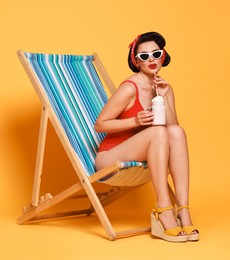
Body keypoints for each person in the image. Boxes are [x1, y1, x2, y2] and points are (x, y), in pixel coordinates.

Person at [94, 32, 199, 242]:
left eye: (155, 53)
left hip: (146, 150)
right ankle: (163, 209)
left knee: (177, 132)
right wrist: (135, 121)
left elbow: (173, 131)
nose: (150, 59)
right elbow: (100, 125)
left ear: (163, 56)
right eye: (144, 56)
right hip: (110, 157)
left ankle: (183, 209)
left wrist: (164, 95)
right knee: (159, 131)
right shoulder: (129, 88)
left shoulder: (164, 87)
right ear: (136, 61)